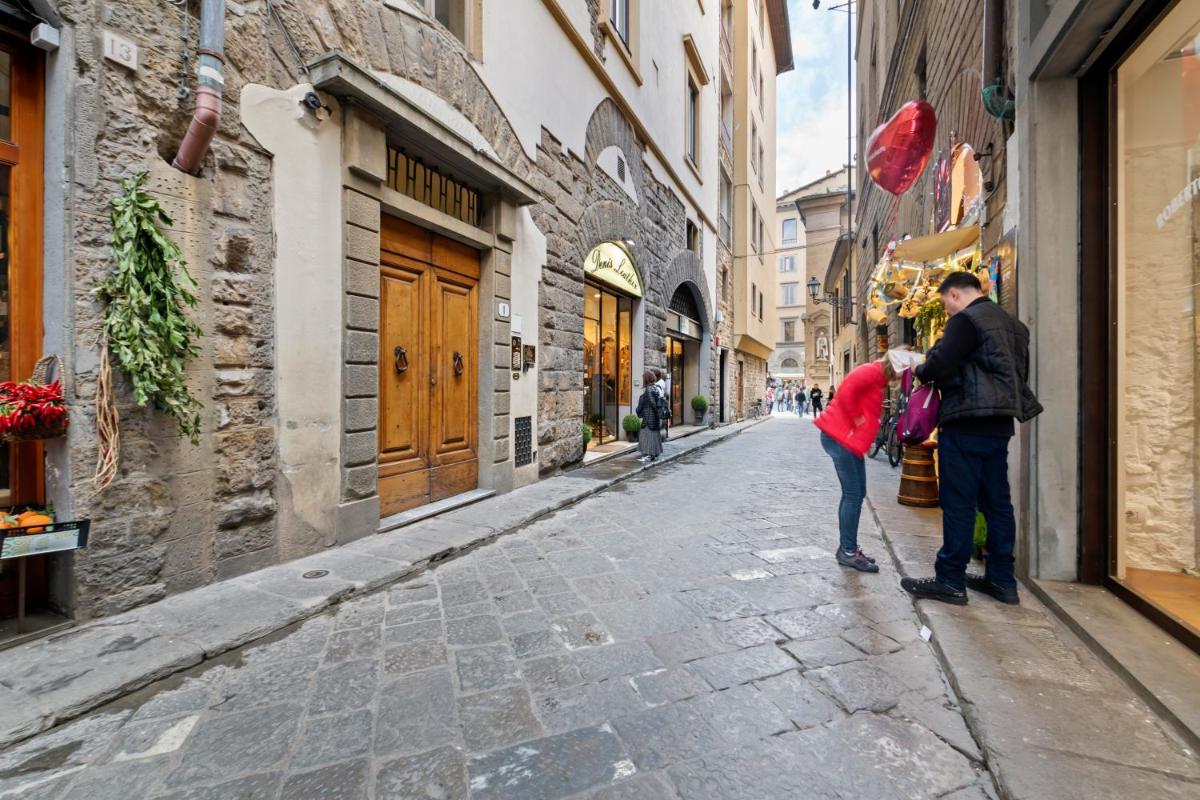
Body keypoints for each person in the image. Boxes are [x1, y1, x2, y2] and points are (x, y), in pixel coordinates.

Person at [900, 271, 1042, 606]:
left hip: (965, 421)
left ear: (953, 296)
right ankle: (1002, 580)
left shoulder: (966, 321)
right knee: (997, 502)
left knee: (959, 501)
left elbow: (940, 365)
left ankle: (950, 579)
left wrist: (920, 369)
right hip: (999, 423)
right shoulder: (1014, 325)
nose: (948, 312)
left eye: (946, 305)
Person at [814, 357, 899, 572]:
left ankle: (849, 547)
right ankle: (848, 551)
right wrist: (859, 419)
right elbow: (847, 392)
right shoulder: (871, 372)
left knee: (858, 493)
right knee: (852, 494)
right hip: (840, 437)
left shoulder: (877, 377)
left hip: (849, 440)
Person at [635, 370, 665, 462]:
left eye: (644, 378)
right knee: (653, 436)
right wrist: (658, 415)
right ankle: (653, 454)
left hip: (649, 418)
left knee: (646, 436)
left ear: (646, 379)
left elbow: (652, 403)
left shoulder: (648, 389)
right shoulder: (655, 387)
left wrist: (655, 413)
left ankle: (648, 455)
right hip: (654, 418)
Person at [653, 369, 670, 439]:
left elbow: (659, 395)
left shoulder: (658, 384)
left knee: (659, 420)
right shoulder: (662, 382)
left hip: (658, 405)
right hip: (661, 404)